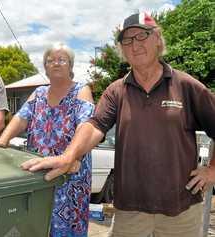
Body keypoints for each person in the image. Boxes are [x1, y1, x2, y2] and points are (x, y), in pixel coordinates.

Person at [21, 12, 215, 237]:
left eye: (142, 36)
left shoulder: (186, 86)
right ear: (122, 49)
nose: (135, 45)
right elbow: (94, 126)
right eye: (127, 40)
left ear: (158, 39)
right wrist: (68, 156)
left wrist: (212, 170)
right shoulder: (116, 91)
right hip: (129, 211)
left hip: (181, 210)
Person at [0, 43, 94, 237]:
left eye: (62, 59)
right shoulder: (39, 93)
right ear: (45, 67)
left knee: (66, 230)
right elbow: (20, 118)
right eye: (50, 60)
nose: (56, 63)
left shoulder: (82, 91)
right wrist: (2, 141)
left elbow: (87, 127)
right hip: (37, 176)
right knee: (34, 227)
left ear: (71, 66)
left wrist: (73, 157)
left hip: (69, 176)